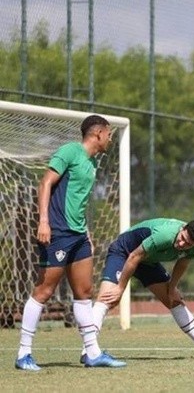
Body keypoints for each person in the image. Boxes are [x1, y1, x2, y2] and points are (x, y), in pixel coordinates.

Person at [15, 115, 125, 371]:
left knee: (84, 292)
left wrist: (86, 233)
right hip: (58, 232)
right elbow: (45, 183)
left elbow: (78, 201)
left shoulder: (91, 163)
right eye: (109, 134)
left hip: (79, 236)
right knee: (44, 291)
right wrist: (44, 221)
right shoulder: (70, 151)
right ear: (98, 133)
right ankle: (23, 354)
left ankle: (92, 353)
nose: (110, 139)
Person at [87, 218, 194, 360]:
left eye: (188, 244)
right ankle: (89, 352)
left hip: (147, 261)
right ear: (182, 228)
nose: (182, 244)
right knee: (108, 298)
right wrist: (120, 287)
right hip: (124, 252)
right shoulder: (164, 235)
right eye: (182, 238)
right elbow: (134, 256)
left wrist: (172, 288)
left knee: (174, 301)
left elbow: (182, 264)